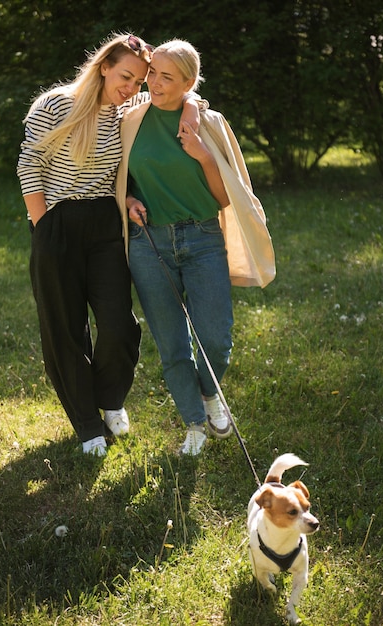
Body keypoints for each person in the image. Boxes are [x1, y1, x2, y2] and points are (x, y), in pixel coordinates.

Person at [17, 33, 201, 457]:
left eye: (139, 81)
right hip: (56, 222)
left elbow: (186, 102)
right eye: (126, 77)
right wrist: (45, 226)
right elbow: (29, 164)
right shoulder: (54, 105)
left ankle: (111, 398)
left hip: (106, 223)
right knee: (65, 329)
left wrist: (189, 105)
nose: (132, 88)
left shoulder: (129, 110)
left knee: (119, 324)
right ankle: (86, 422)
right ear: (103, 66)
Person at [116, 39, 237, 456]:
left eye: (167, 77)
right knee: (171, 345)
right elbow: (120, 179)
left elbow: (226, 198)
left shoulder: (209, 122)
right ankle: (194, 424)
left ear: (189, 82)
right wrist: (128, 198)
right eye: (153, 73)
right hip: (149, 243)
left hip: (202, 238)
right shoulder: (130, 119)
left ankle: (209, 394)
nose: (154, 82)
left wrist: (203, 155)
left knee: (216, 339)